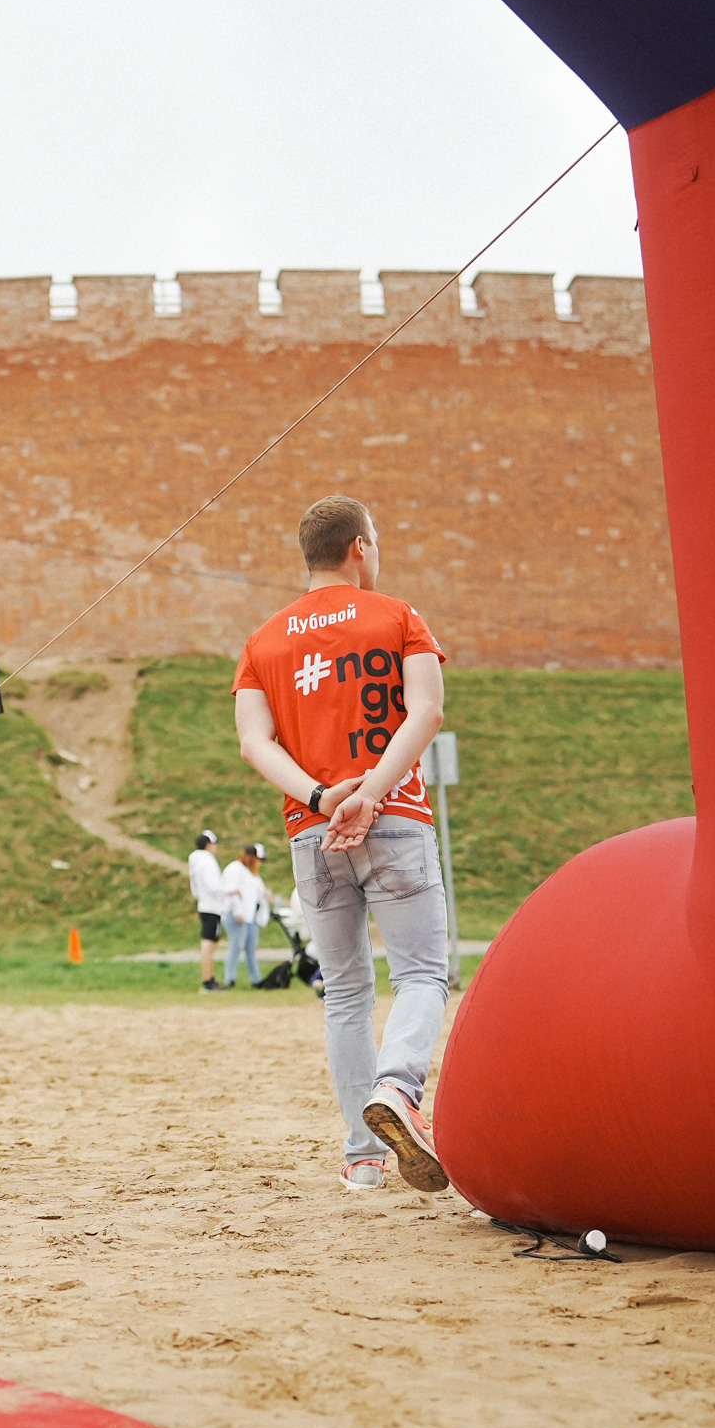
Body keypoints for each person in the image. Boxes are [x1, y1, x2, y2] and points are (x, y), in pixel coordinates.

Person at [234, 494, 450, 1195]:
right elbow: (427, 709)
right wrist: (373, 790)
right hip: (396, 816)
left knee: (345, 995)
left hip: (313, 830)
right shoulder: (397, 616)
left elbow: (253, 743)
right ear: (359, 547)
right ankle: (398, 1088)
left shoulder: (263, 642)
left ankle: (363, 1159)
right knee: (421, 974)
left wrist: (326, 799)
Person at [220, 842, 272, 989]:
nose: (259, 863)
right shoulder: (234, 869)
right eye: (258, 860)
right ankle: (229, 979)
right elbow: (232, 892)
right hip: (237, 916)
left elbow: (257, 890)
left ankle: (256, 980)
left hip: (250, 917)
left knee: (251, 948)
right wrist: (238, 912)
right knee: (236, 946)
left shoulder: (252, 874)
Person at [188, 829, 228, 992]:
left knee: (209, 944)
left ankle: (209, 978)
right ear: (208, 844)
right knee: (208, 945)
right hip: (212, 907)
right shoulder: (207, 860)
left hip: (204, 905)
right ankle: (208, 980)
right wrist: (227, 891)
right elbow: (214, 886)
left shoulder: (195, 860)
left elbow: (196, 890)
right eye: (214, 844)